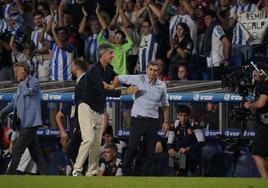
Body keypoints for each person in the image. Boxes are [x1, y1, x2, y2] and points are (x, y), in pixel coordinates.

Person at [72, 43, 138, 176]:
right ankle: (77, 169)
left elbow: (117, 77)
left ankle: (91, 173)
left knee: (96, 144)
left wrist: (122, 83)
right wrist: (125, 91)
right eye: (110, 53)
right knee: (89, 139)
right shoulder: (93, 70)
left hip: (99, 109)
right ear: (102, 54)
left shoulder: (107, 69)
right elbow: (104, 91)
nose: (113, 56)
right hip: (86, 106)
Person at [113, 61, 170, 176]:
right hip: (138, 120)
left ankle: (144, 174)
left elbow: (165, 105)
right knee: (132, 147)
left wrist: (166, 121)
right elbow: (118, 78)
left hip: (153, 121)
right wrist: (112, 87)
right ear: (146, 70)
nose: (153, 72)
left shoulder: (162, 86)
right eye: (151, 69)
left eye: (155, 70)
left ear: (158, 72)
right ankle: (125, 171)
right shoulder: (138, 79)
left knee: (149, 151)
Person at [0, 62, 48, 175]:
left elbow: (28, 92)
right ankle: (47, 175)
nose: (15, 74)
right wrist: (1, 113)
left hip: (30, 123)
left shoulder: (34, 81)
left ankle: (9, 176)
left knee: (17, 149)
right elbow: (13, 104)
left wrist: (22, 81)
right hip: (23, 124)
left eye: (17, 71)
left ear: (23, 70)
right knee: (35, 153)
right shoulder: (20, 86)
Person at [244, 64, 268, 178]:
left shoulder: (265, 84)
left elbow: (261, 103)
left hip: (266, 124)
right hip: (264, 123)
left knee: (257, 153)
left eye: (257, 73)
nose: (254, 75)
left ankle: (264, 180)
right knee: (265, 154)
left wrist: (250, 105)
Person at [167, 105, 205, 176]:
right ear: (177, 115)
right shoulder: (174, 125)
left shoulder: (194, 125)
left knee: (196, 179)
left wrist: (187, 148)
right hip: (181, 156)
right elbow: (169, 143)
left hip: (194, 156)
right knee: (180, 175)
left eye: (185, 116)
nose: (183, 118)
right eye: (181, 115)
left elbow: (202, 142)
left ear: (189, 116)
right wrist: (170, 149)